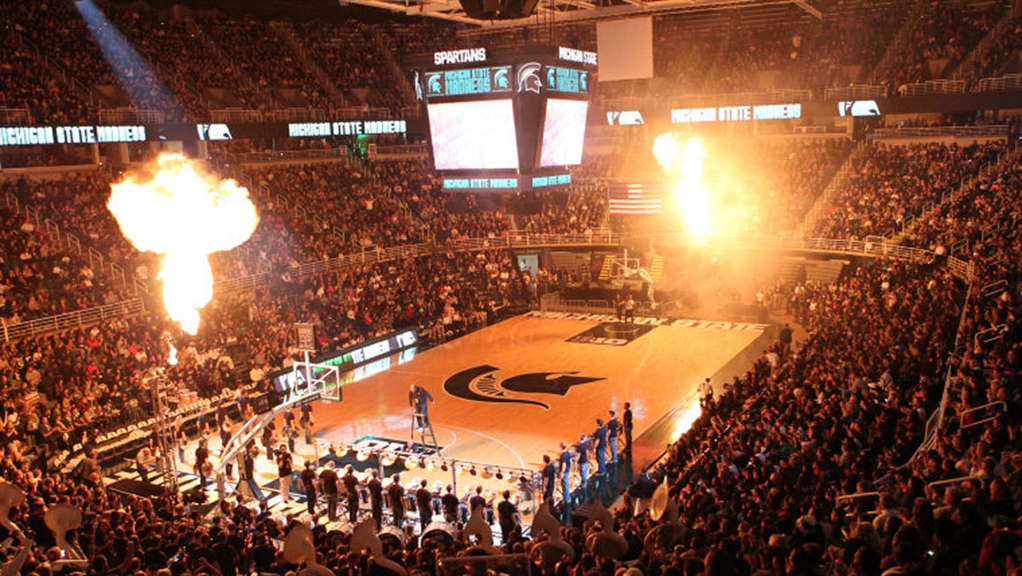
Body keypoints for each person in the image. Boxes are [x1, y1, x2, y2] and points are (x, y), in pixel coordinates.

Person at [575, 434, 590, 499]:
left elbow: (578, 455)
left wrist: (576, 461)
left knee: (582, 472)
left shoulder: (580, 446)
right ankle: (583, 482)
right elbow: (586, 452)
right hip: (585, 459)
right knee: (584, 472)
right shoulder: (585, 444)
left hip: (581, 461)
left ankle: (584, 484)